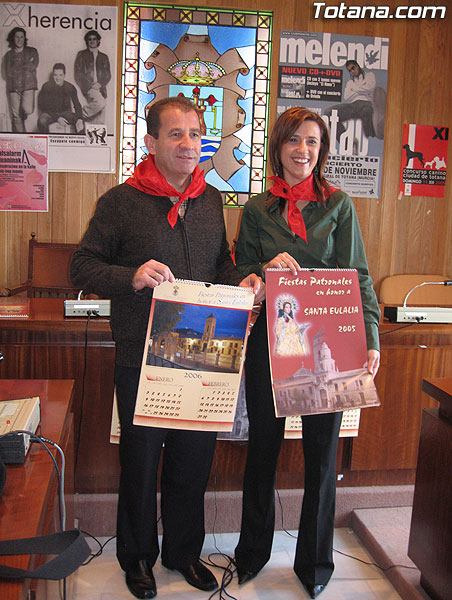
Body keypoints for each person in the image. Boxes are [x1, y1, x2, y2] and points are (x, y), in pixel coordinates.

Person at [70, 96, 263, 600]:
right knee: (140, 462)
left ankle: (183, 552)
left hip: (202, 356)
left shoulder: (211, 201)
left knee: (192, 462)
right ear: (152, 142)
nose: (188, 144)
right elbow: (82, 267)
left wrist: (242, 282)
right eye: (176, 134)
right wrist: (130, 276)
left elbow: (221, 264)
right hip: (141, 356)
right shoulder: (119, 201)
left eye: (196, 134)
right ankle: (136, 557)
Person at [233, 106, 380, 599]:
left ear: (322, 150)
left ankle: (315, 563)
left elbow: (357, 274)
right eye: (295, 140)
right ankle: (252, 553)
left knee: (322, 455)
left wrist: (372, 338)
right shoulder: (256, 208)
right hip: (270, 341)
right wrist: (262, 265)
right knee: (263, 453)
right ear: (279, 146)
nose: (303, 150)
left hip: (328, 342)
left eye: (313, 142)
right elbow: (240, 271)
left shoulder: (339, 205)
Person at [324, 59, 386, 146]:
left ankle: (372, 136)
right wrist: (362, 88)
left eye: (353, 68)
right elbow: (347, 96)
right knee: (329, 112)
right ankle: (346, 142)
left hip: (366, 103)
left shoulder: (369, 75)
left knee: (368, 112)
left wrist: (354, 89)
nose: (352, 71)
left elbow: (370, 88)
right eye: (350, 70)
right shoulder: (350, 82)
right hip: (352, 105)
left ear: (357, 66)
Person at [2, 27, 39, 132]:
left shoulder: (32, 51)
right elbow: (8, 73)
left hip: (28, 85)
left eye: (22, 37)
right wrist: (24, 66)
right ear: (13, 39)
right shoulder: (8, 55)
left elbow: (32, 66)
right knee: (16, 117)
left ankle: (22, 113)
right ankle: (23, 138)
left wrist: (17, 67)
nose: (19, 39)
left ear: (25, 38)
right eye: (17, 37)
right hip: (13, 87)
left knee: (27, 109)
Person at [74, 30, 111, 123]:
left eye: (94, 39)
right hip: (89, 87)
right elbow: (78, 74)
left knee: (100, 119)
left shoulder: (104, 57)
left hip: (101, 88)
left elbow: (107, 74)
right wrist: (89, 86)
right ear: (87, 41)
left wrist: (100, 84)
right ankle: (80, 114)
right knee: (101, 103)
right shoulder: (81, 55)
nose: (92, 41)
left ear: (98, 41)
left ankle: (96, 136)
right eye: (89, 39)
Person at [37, 63, 84, 133]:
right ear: (53, 75)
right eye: (55, 75)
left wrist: (79, 118)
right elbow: (43, 106)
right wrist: (57, 118)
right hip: (50, 114)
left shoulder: (70, 87)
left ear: (64, 75)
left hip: (65, 113)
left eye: (60, 75)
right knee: (41, 121)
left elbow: (77, 104)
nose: (58, 78)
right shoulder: (46, 87)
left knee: (81, 123)